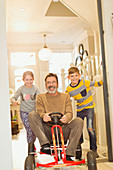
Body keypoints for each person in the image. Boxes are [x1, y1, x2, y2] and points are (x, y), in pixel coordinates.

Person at [28, 73, 83, 161]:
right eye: (48, 83)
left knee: (79, 121)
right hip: (47, 130)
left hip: (63, 130)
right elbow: (40, 111)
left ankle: (69, 153)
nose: (51, 85)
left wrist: (66, 118)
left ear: (57, 84)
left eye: (53, 82)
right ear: (45, 85)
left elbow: (69, 112)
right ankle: (45, 145)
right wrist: (43, 116)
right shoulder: (40, 97)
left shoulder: (66, 96)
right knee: (32, 115)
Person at [66, 66, 103, 158]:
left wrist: (104, 78)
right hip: (80, 110)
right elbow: (65, 99)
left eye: (76, 76)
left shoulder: (84, 82)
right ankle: (79, 146)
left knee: (90, 128)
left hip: (89, 108)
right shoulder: (69, 89)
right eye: (72, 76)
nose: (74, 78)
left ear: (79, 75)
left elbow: (96, 83)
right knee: (78, 129)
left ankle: (94, 150)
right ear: (68, 78)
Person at [12, 71, 40, 150]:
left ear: (33, 79)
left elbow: (39, 97)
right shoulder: (21, 89)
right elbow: (14, 97)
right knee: (29, 128)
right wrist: (14, 101)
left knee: (33, 129)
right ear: (23, 80)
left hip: (33, 112)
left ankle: (32, 143)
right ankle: (30, 145)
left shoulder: (35, 88)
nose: (29, 81)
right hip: (24, 111)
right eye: (27, 80)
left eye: (30, 79)